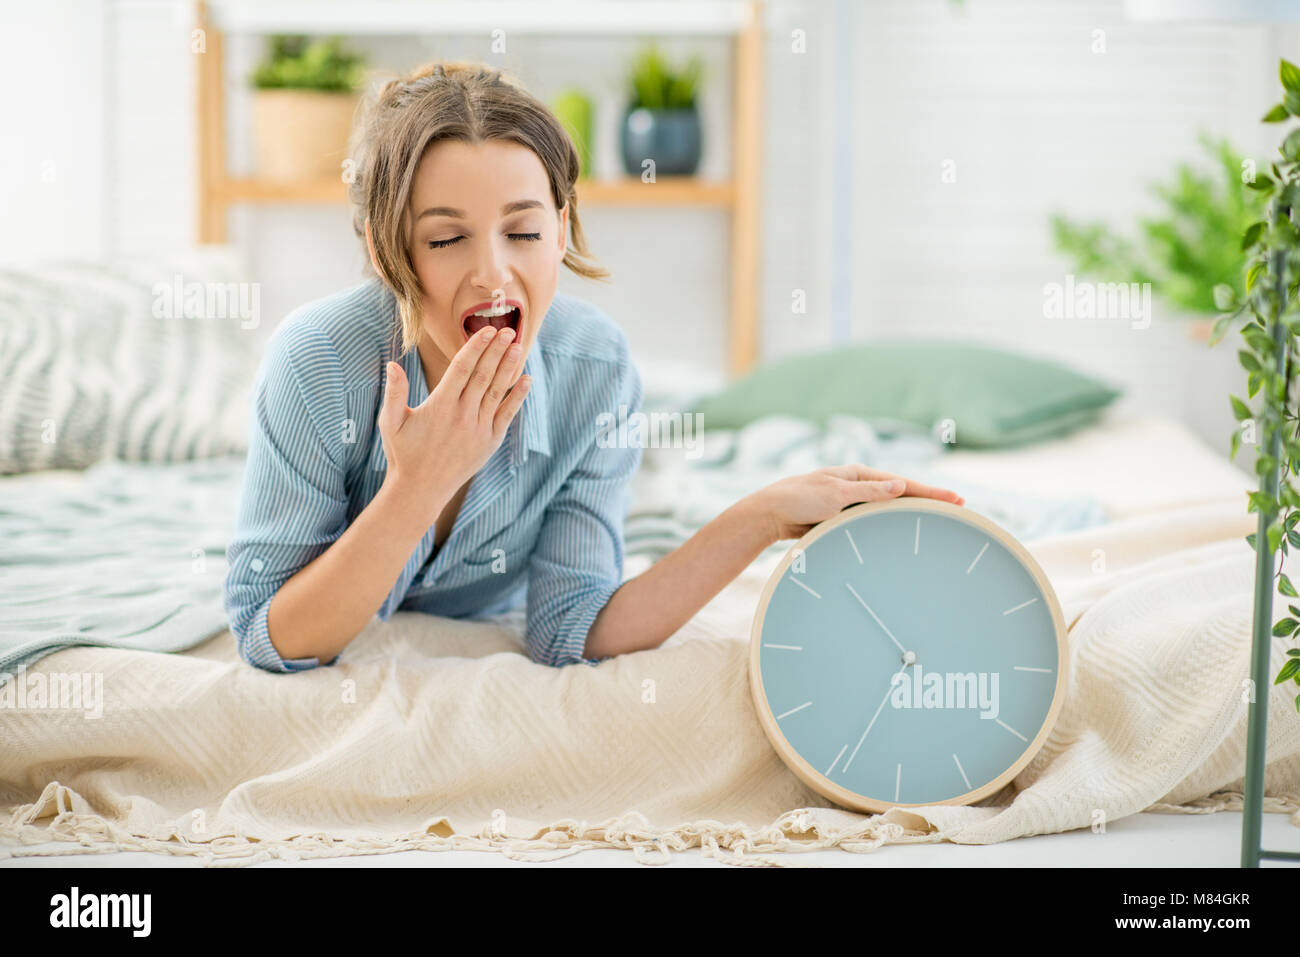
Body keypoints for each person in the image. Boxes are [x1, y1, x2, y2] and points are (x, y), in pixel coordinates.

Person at [222, 60, 965, 674]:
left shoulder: (594, 368)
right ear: (388, 252)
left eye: (524, 230)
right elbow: (273, 635)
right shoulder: (316, 360)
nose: (493, 274)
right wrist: (419, 485)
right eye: (446, 240)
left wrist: (759, 515)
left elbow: (571, 629)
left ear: (562, 227)